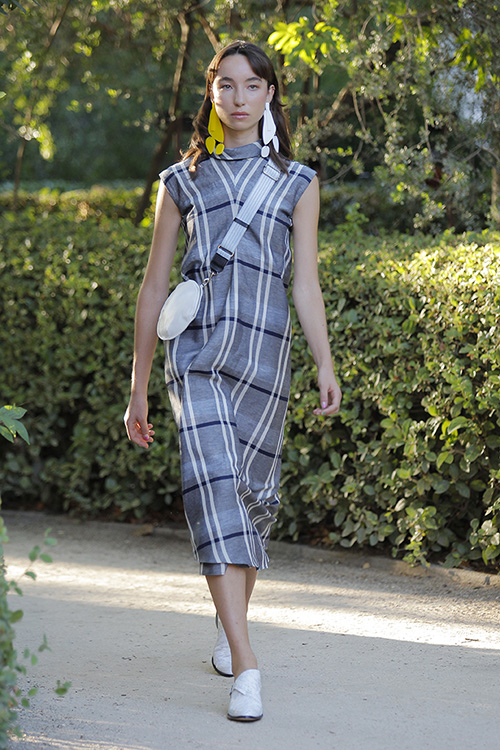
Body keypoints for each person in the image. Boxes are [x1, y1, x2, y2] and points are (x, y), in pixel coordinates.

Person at [124, 40, 342, 722]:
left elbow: (304, 283)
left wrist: (325, 361)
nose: (239, 97)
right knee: (212, 482)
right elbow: (155, 284)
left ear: (271, 95)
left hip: (267, 358)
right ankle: (246, 665)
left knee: (249, 497)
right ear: (212, 97)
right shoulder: (181, 180)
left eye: (252, 86)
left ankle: (229, 624)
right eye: (227, 86)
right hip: (197, 356)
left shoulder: (298, 182)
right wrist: (137, 385)